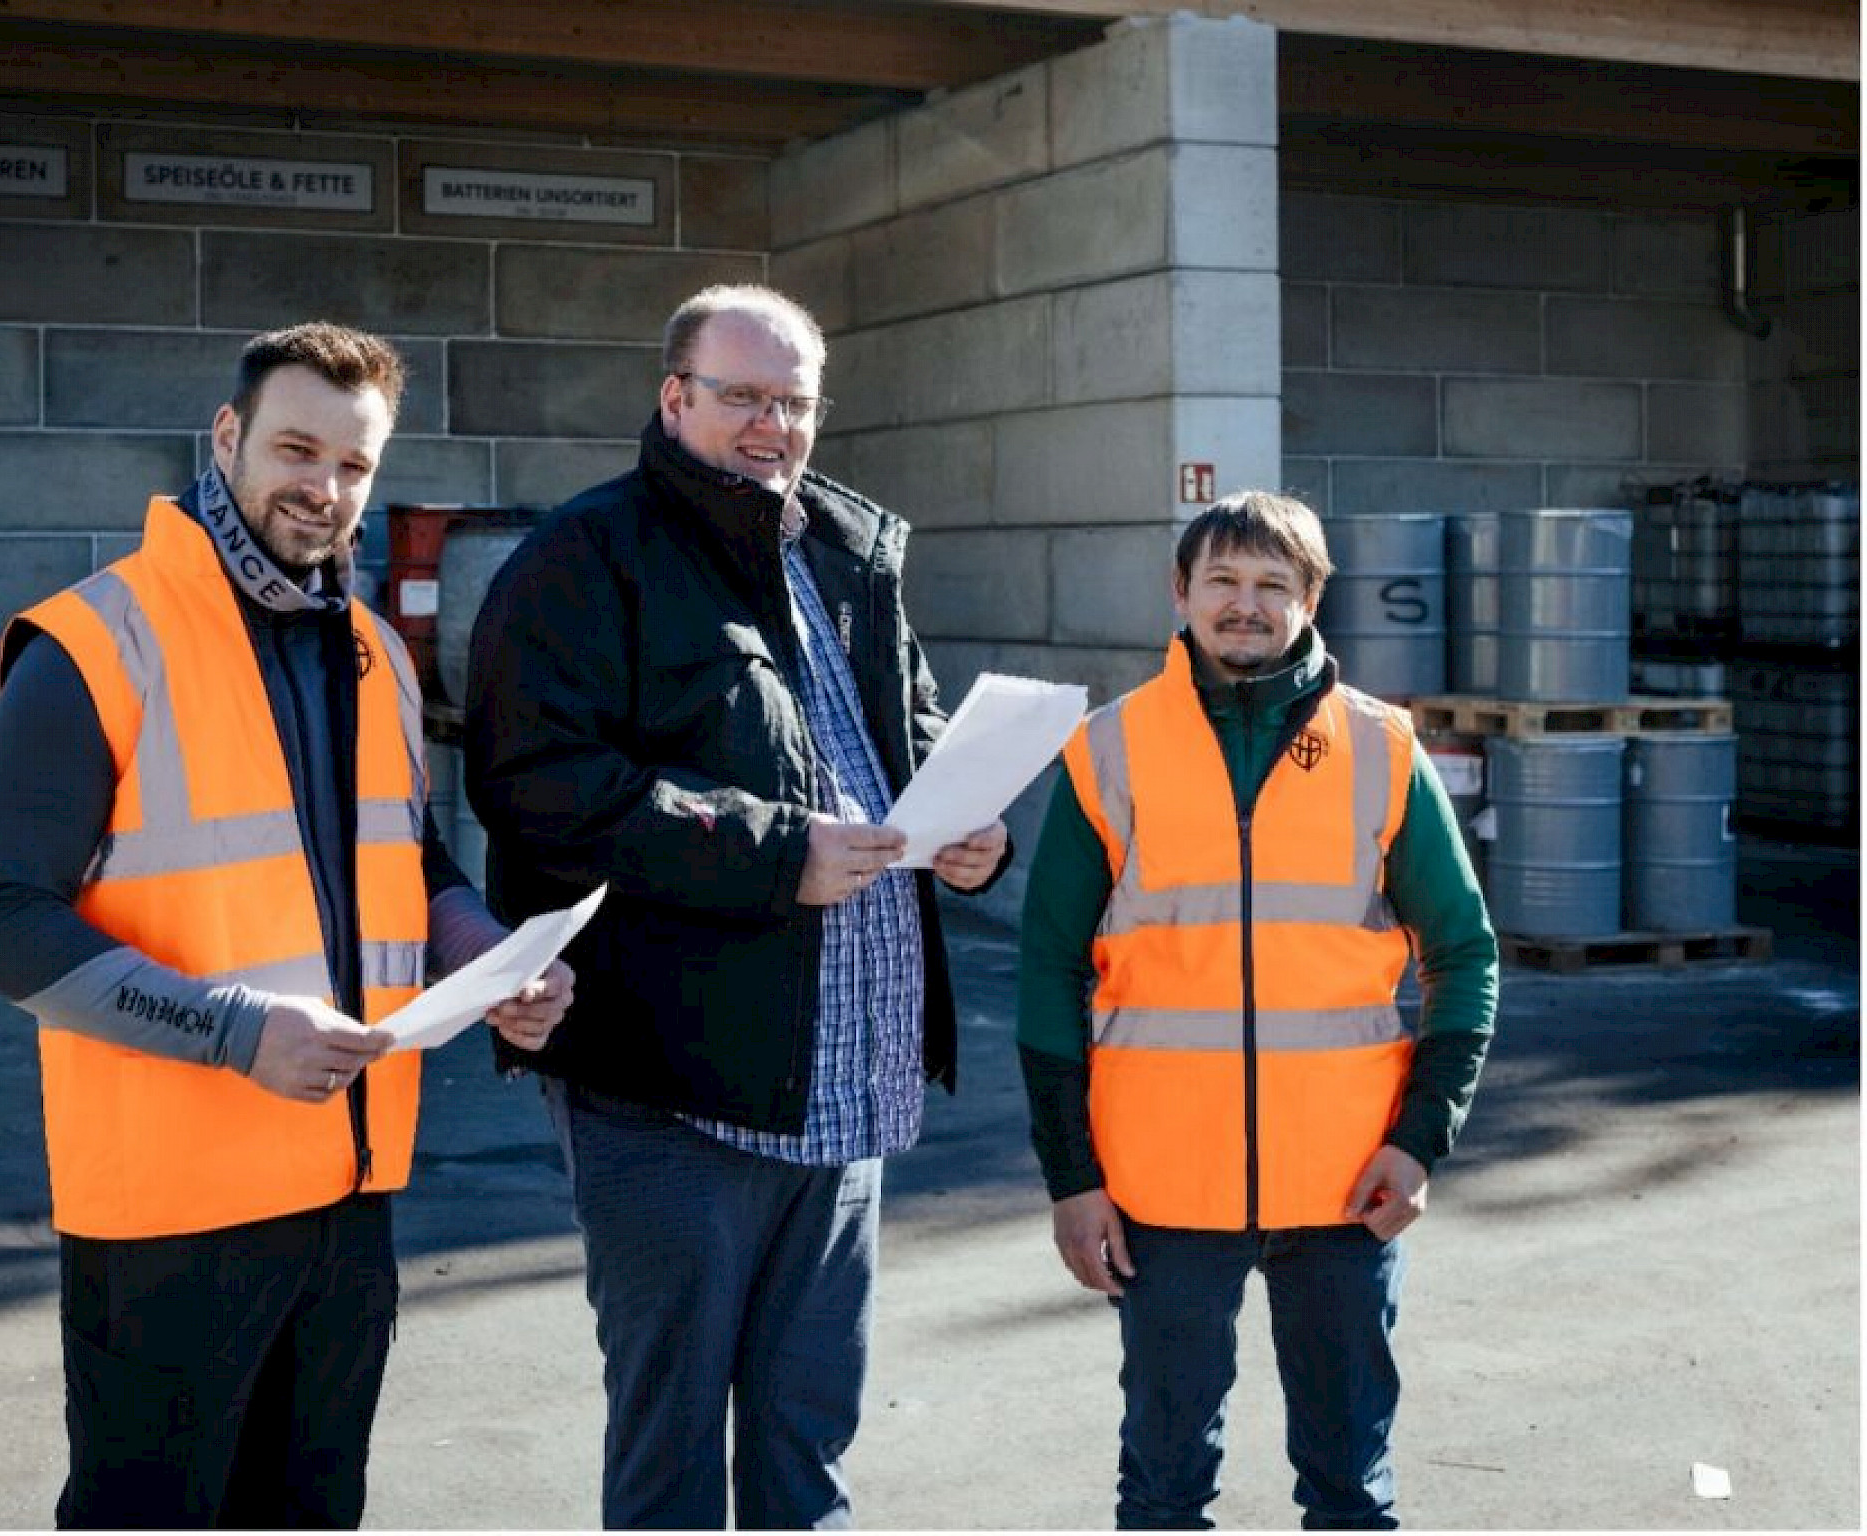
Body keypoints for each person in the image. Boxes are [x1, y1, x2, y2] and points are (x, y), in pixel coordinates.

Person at [0, 321, 573, 1529]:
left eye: (354, 466)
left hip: (347, 1193)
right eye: (298, 449)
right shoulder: (92, 641)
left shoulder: (370, 652)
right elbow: (4, 926)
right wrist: (236, 1032)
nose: (325, 489)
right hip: (168, 1214)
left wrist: (486, 961)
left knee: (312, 1511)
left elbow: (413, 858)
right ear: (227, 437)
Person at [462, 283, 1011, 1529]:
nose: (771, 426)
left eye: (794, 402)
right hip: (675, 1095)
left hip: (845, 1085)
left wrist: (971, 828)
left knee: (805, 1446)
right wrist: (775, 856)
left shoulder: (850, 555)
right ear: (674, 398)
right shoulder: (583, 558)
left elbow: (909, 734)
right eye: (742, 397)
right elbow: (536, 783)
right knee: (669, 1462)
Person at [1015, 490, 1499, 1530]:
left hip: (1347, 1188)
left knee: (1348, 1489)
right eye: (1222, 582)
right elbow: (1047, 969)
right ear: (1179, 592)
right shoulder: (1107, 750)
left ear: (1310, 597)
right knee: (1162, 1487)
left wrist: (1420, 1143)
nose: (1244, 605)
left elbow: (1461, 956)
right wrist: (1071, 1178)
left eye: (1271, 585)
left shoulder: (1381, 749)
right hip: (1158, 1194)